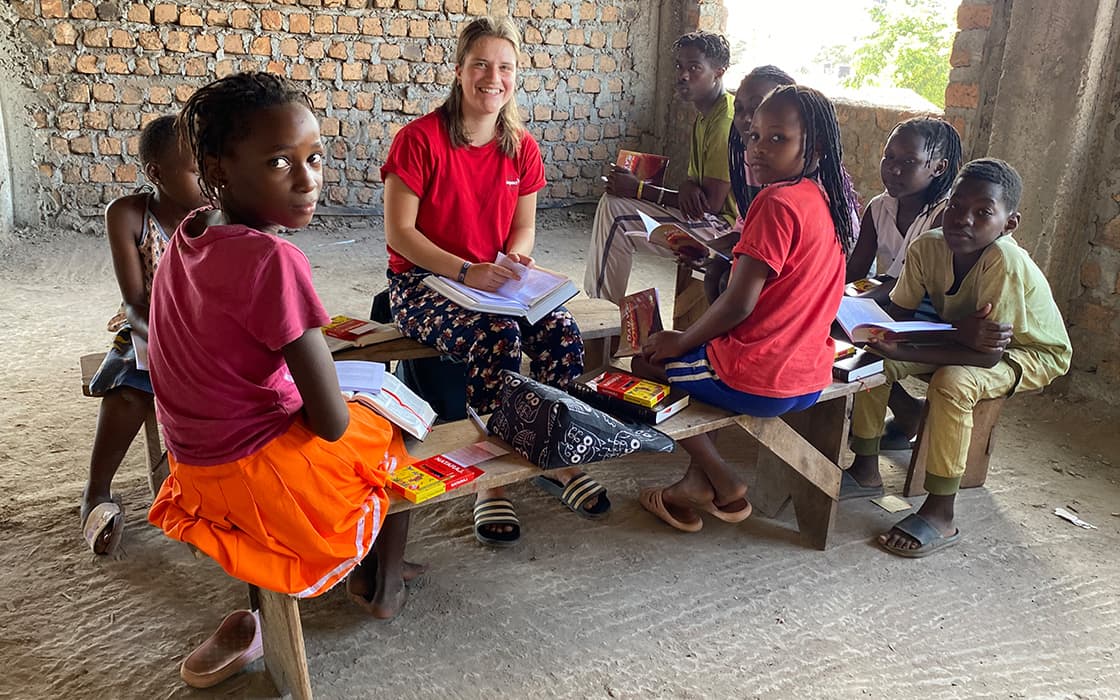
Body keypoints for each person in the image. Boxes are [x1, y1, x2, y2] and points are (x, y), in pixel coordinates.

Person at [146, 72, 422, 626]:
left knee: (369, 400)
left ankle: (371, 569)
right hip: (253, 477)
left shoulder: (189, 232)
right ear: (220, 168)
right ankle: (381, 579)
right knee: (398, 425)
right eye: (279, 162)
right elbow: (330, 423)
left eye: (314, 157)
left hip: (193, 468)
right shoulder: (272, 262)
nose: (307, 180)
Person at [381, 17, 603, 548]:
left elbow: (522, 226)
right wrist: (463, 270)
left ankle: (556, 452)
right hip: (423, 284)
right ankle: (491, 478)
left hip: (491, 284)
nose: (492, 77)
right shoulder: (418, 140)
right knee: (497, 337)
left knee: (562, 329)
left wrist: (518, 259)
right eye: (480, 64)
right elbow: (400, 233)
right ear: (459, 71)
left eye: (504, 67)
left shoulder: (520, 146)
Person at [632, 85, 856, 532]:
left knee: (647, 364)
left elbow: (739, 303)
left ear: (813, 150)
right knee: (698, 362)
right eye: (754, 136)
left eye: (778, 139)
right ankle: (693, 487)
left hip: (762, 377)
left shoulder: (775, 202)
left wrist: (680, 340)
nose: (757, 149)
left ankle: (723, 479)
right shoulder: (824, 198)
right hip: (810, 374)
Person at [845, 158, 1072, 558]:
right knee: (872, 358)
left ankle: (940, 512)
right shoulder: (928, 246)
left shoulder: (1004, 260)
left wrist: (914, 346)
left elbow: (984, 356)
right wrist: (870, 333)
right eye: (955, 205)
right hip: (963, 339)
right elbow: (900, 313)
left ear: (1009, 223)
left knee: (953, 381)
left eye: (983, 212)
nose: (963, 219)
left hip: (1028, 352)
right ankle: (865, 469)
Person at [81, 115, 208, 555]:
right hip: (147, 326)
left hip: (210, 333)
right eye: (197, 171)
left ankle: (202, 495)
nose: (209, 180)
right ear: (156, 173)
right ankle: (97, 489)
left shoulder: (218, 216)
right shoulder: (129, 214)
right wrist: (164, 340)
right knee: (131, 389)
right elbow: (136, 301)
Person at [584, 31, 739, 305]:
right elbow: (695, 189)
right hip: (708, 221)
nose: (683, 75)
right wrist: (687, 185)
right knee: (615, 203)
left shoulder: (724, 120)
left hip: (724, 233)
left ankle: (600, 317)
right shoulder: (705, 117)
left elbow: (711, 205)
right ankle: (603, 314)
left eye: (694, 68)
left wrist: (640, 189)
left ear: (718, 72)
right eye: (679, 66)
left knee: (616, 214)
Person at [844, 117, 963, 450]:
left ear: (938, 168)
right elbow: (856, 270)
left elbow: (916, 282)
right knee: (826, 320)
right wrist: (839, 294)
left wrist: (860, 294)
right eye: (889, 157)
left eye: (908, 162)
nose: (894, 169)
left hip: (932, 312)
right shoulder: (879, 207)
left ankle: (882, 418)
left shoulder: (944, 216)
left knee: (865, 340)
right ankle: (905, 408)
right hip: (892, 300)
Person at [703, 65, 795, 303]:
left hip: (796, 267)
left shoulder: (800, 187)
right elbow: (745, 224)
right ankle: (721, 340)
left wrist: (682, 343)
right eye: (739, 109)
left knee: (730, 282)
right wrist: (705, 247)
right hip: (764, 251)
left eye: (757, 108)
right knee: (713, 271)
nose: (745, 119)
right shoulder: (748, 160)